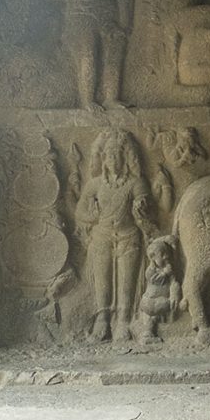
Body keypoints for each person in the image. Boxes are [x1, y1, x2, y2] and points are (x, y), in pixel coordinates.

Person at [76, 130, 159, 342]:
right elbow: (79, 212)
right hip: (102, 237)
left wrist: (141, 208)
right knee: (102, 280)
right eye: (108, 154)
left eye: (116, 154)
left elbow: (148, 208)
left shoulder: (135, 182)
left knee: (127, 281)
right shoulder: (95, 184)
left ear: (125, 157)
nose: (111, 158)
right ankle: (102, 320)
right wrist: (92, 217)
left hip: (128, 237)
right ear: (103, 158)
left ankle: (123, 321)